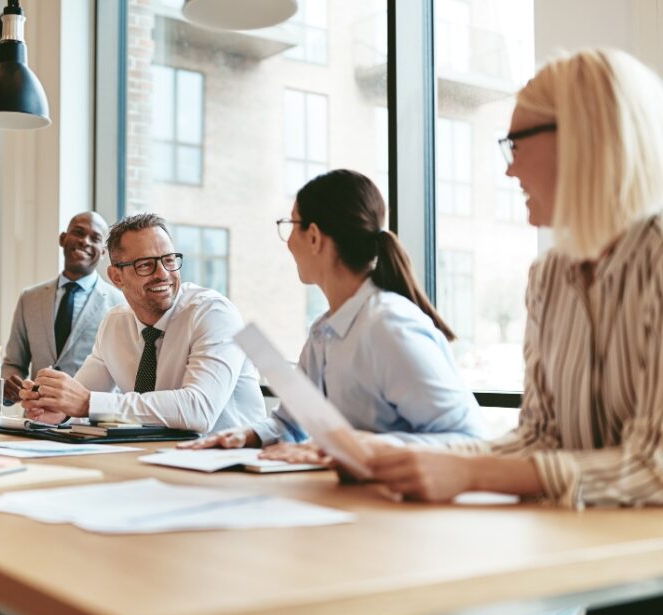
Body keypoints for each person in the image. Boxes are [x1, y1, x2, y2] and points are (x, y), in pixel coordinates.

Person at [365, 48, 663, 615]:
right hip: (612, 576)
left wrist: (470, 474)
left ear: (581, 135)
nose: (508, 171)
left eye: (515, 145)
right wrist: (407, 461)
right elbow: (539, 438)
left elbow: (654, 467)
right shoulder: (549, 277)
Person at [182, 169, 483, 459]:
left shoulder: (389, 326)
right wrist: (247, 435)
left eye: (291, 225)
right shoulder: (324, 332)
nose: (287, 241)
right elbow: (291, 423)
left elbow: (467, 440)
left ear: (314, 237)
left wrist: (360, 446)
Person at [19, 212, 266, 433]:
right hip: (157, 459)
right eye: (146, 265)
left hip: (231, 466)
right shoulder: (115, 324)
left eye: (169, 260)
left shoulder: (213, 313)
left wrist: (86, 403)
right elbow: (80, 397)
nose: (163, 274)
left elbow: (198, 410)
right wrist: (58, 409)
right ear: (117, 277)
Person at [2, 211, 124, 403]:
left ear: (103, 252)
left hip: (88, 425)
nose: (85, 241)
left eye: (95, 238)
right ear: (62, 238)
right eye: (78, 232)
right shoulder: (30, 298)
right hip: (35, 420)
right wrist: (8, 383)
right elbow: (13, 363)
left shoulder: (120, 304)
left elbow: (123, 376)